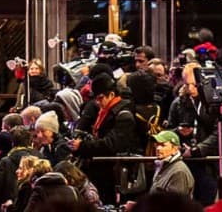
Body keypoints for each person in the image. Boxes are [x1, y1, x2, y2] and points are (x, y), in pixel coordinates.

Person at [69, 74, 143, 205]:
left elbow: (111, 144)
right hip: (103, 170)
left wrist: (83, 146)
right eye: (96, 99)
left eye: (100, 98)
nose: (98, 102)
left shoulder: (123, 115)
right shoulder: (106, 111)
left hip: (114, 173)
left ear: (112, 94)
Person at [145, 130, 194, 198]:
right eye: (157, 145)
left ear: (175, 148)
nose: (158, 148)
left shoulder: (179, 172)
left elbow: (173, 203)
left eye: (163, 145)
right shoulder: (165, 166)